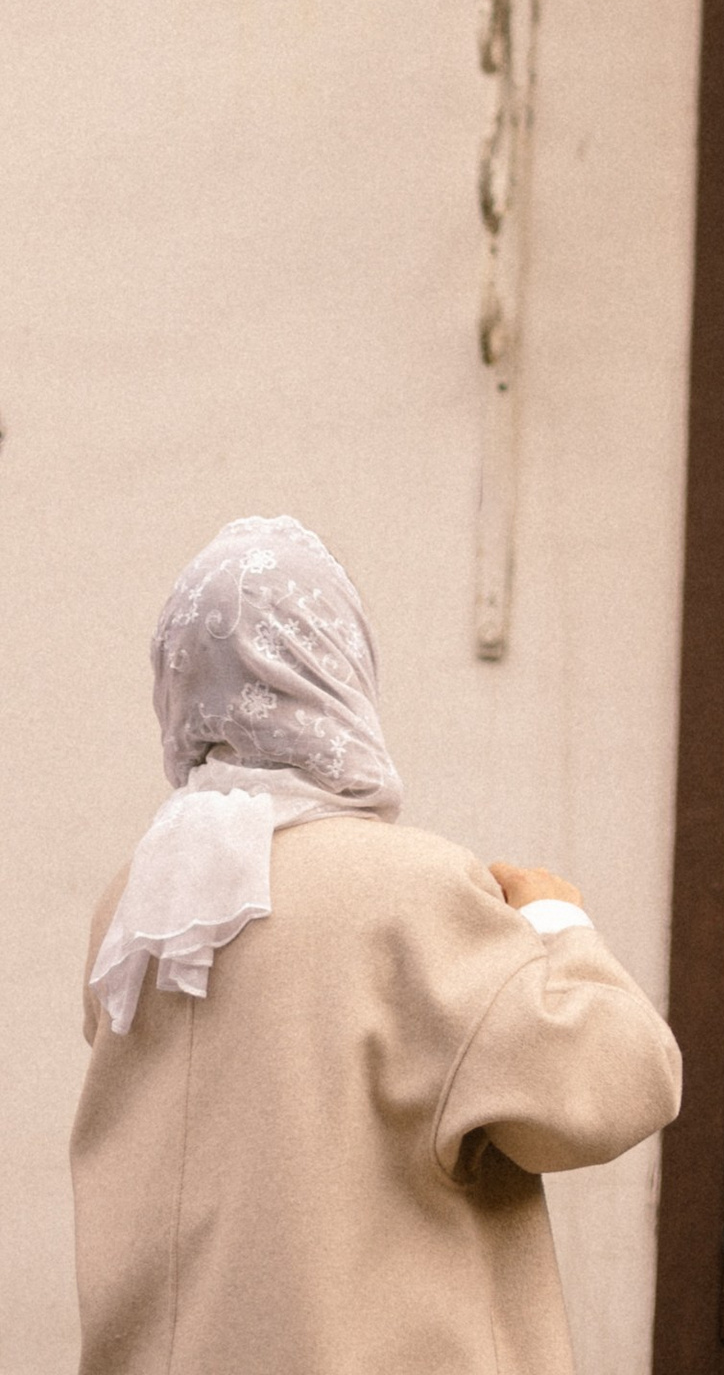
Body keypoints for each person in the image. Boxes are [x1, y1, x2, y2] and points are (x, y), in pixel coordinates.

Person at [70, 513, 682, 1375]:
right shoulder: (406, 890)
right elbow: (621, 1087)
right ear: (336, 667)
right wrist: (555, 920)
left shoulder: (136, 905)